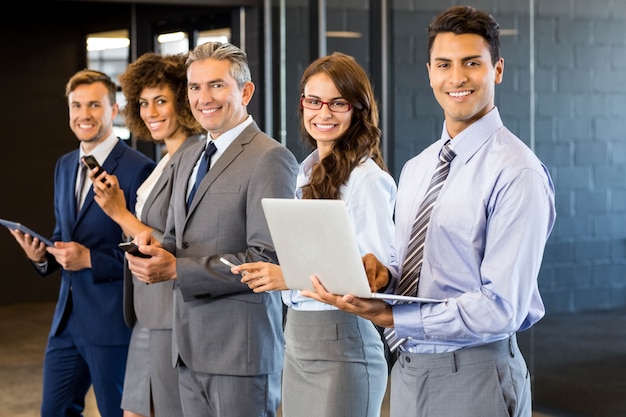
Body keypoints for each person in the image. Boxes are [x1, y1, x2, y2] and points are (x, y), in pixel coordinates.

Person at [302, 6, 557, 417]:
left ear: (497, 70)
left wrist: (391, 317)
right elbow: (408, 264)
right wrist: (381, 274)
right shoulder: (418, 168)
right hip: (409, 369)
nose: (456, 78)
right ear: (429, 72)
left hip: (474, 370)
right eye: (444, 64)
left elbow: (501, 307)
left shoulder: (517, 172)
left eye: (472, 63)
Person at [125, 41, 299, 417]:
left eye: (216, 85)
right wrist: (152, 249)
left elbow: (266, 258)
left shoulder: (270, 158)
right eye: (194, 87)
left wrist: (176, 269)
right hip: (186, 349)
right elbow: (176, 239)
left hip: (240, 353)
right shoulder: (188, 156)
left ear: (245, 91)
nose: (204, 97)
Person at [230, 52, 396, 417]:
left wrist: (285, 276)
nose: (324, 113)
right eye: (314, 101)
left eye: (338, 103)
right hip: (298, 338)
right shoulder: (304, 173)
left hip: (344, 342)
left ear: (358, 109)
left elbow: (371, 278)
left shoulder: (367, 179)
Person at [6, 69, 155, 417]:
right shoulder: (64, 165)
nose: (83, 114)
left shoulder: (139, 169)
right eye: (76, 106)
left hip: (111, 322)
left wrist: (90, 259)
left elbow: (149, 251)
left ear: (114, 110)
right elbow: (63, 234)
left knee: (115, 412)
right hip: (66, 321)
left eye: (94, 105)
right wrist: (42, 257)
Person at [88, 52, 204, 417]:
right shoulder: (165, 160)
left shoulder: (194, 156)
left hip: (170, 312)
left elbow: (172, 241)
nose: (151, 112)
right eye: (143, 103)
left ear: (182, 103)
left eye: (161, 101)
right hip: (147, 312)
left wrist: (119, 213)